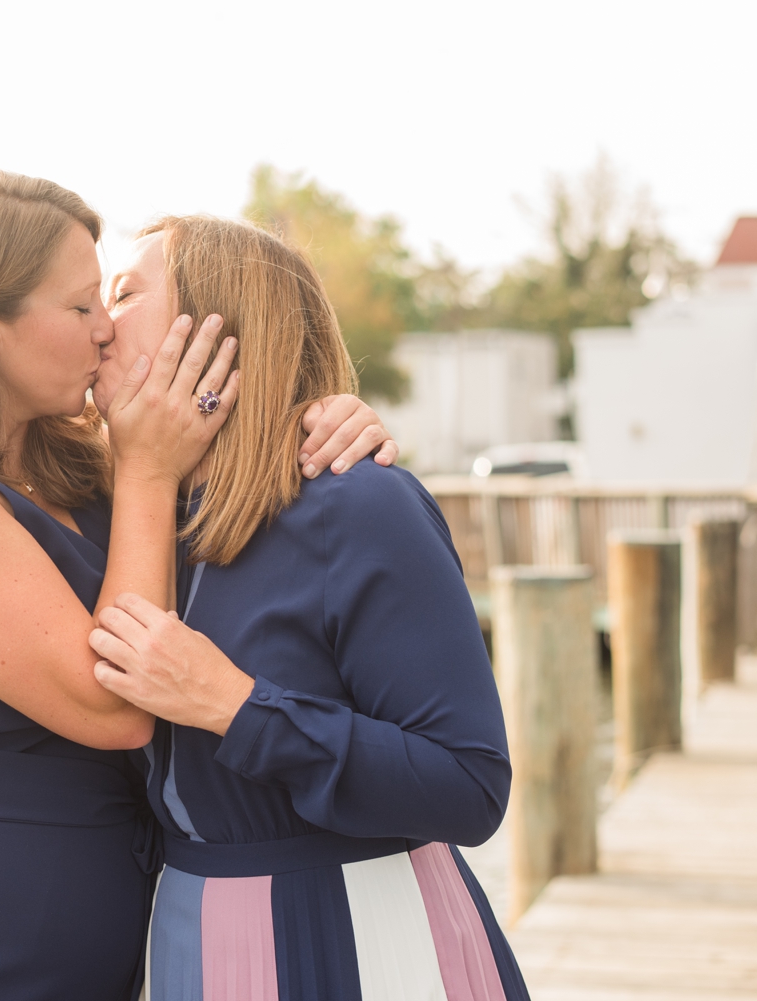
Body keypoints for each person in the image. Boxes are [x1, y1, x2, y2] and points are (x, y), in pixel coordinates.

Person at [0, 169, 395, 1001]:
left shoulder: (80, 470)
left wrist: (328, 418)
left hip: (92, 934)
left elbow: (242, 558)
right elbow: (115, 706)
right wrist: (148, 469)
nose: (106, 329)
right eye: (81, 307)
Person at [87, 216, 528, 1000]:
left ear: (220, 324)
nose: (95, 319)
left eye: (121, 293)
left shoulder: (360, 504)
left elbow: (471, 783)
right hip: (187, 936)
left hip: (362, 935)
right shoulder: (120, 521)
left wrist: (236, 706)